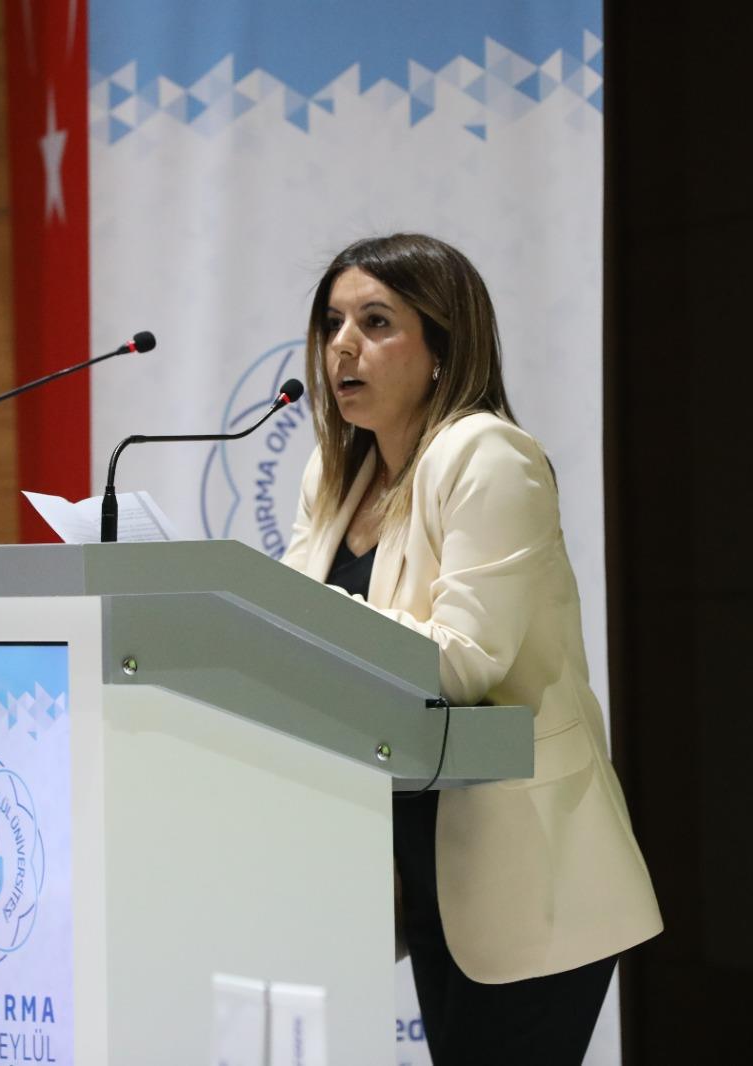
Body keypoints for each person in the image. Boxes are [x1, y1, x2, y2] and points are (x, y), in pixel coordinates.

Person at [282, 233, 662, 1065]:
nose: (343, 346)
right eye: (332, 322)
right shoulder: (336, 475)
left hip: (528, 866)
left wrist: (302, 621)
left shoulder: (488, 456)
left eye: (376, 322)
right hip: (421, 859)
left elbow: (463, 662)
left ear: (443, 349)